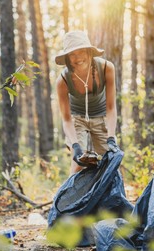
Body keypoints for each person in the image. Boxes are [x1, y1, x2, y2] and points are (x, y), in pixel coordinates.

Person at [55, 31, 119, 174]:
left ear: (89, 52)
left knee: (110, 162)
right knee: (79, 162)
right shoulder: (63, 80)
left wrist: (111, 137)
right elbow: (66, 119)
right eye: (72, 54)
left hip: (102, 116)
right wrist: (75, 146)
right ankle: (70, 196)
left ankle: (112, 196)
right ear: (67, 58)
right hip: (77, 119)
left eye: (81, 51)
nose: (78, 58)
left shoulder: (106, 68)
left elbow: (110, 107)